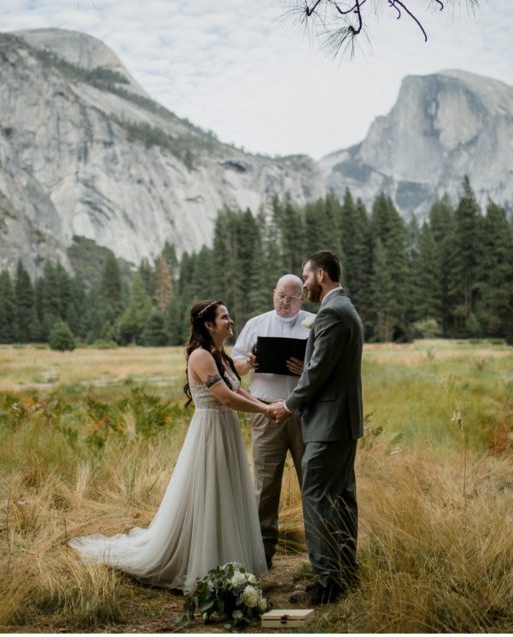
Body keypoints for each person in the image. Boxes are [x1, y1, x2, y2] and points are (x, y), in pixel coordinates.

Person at [69, 300, 278, 591]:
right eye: (224, 317)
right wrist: (267, 412)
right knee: (209, 494)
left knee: (226, 493)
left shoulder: (220, 355)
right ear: (208, 325)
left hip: (226, 430)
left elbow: (237, 389)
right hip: (209, 433)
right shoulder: (201, 356)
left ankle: (227, 561)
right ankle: (202, 565)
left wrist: (267, 404)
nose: (230, 321)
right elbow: (226, 398)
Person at [269, 250, 364, 606]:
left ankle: (328, 582)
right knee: (341, 499)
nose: (304, 283)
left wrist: (289, 406)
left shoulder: (332, 313)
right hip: (342, 422)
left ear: (320, 274)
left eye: (305, 277)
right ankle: (345, 571)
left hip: (328, 424)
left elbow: (318, 370)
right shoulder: (346, 309)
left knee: (318, 497)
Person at [230, 274, 313, 570]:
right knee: (265, 486)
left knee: (311, 482)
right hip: (265, 412)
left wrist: (306, 368)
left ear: (301, 298)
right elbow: (233, 366)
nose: (285, 302)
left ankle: (317, 553)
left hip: (303, 412)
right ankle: (262, 555)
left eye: (292, 298)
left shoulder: (314, 323)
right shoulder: (256, 324)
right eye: (281, 296)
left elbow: (325, 367)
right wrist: (248, 362)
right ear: (272, 294)